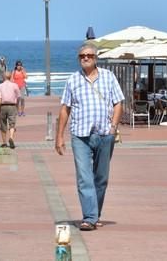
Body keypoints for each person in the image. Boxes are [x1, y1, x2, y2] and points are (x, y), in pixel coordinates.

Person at [55, 43, 124, 231]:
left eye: (89, 56)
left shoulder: (108, 77)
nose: (85, 58)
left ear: (96, 58)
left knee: (101, 178)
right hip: (80, 135)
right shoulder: (73, 80)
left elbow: (119, 103)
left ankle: (94, 214)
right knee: (84, 178)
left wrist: (113, 127)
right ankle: (89, 217)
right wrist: (59, 137)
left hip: (104, 134)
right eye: (81, 56)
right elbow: (64, 109)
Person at [0, 71, 21, 149]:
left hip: (2, 106)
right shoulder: (15, 85)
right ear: (10, 77)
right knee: (12, 123)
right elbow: (19, 96)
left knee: (3, 124)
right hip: (12, 106)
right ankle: (11, 138)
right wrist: (17, 105)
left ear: (3, 77)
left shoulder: (0, 86)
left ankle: (4, 142)